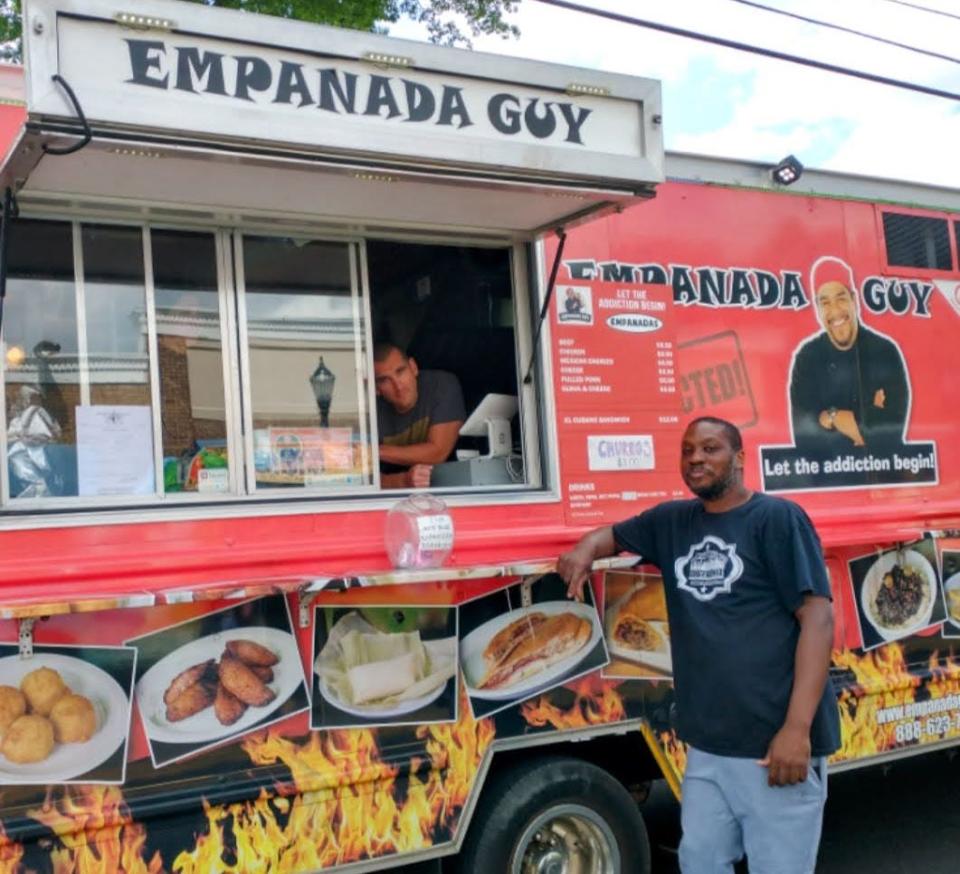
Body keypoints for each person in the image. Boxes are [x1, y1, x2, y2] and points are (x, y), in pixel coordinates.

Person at [558, 417, 840, 874]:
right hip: (708, 747)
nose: (696, 459)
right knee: (701, 861)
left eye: (710, 449)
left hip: (773, 745)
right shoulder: (672, 522)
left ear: (740, 458)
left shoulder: (777, 518)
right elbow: (609, 536)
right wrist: (584, 550)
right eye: (688, 450)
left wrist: (797, 729)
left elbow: (818, 619)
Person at [789, 255, 909, 454]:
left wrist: (831, 417)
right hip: (828, 479)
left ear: (854, 300)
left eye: (841, 298)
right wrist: (870, 418)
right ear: (818, 309)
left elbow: (892, 432)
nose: (835, 310)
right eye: (825, 302)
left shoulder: (885, 351)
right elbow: (805, 440)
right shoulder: (807, 358)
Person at [374, 342, 465, 489]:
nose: (398, 386)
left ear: (413, 367)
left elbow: (438, 452)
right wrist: (402, 481)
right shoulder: (370, 411)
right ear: (376, 388)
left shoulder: (441, 386)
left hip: (451, 490)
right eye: (385, 380)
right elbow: (361, 478)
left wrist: (375, 451)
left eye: (400, 371)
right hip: (385, 499)